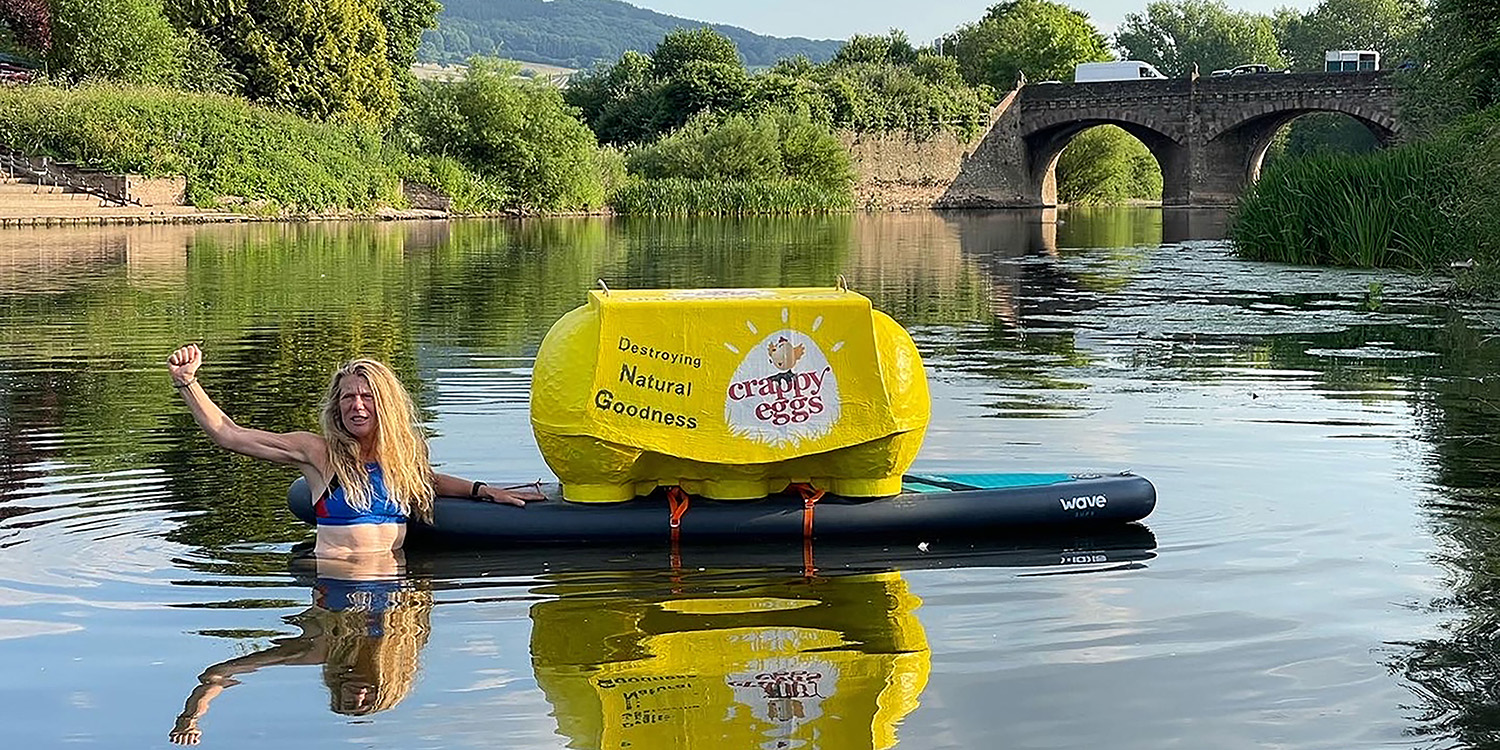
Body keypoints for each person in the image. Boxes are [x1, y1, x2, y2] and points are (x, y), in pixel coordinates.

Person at [165, 344, 542, 558]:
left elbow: (427, 481)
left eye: (367, 397)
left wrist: (483, 490)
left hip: (392, 593)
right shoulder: (318, 453)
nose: (357, 405)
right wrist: (188, 383)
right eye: (348, 397)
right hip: (335, 595)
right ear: (337, 406)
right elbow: (229, 435)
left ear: (385, 404)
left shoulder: (401, 459)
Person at [169, 560, 434, 744]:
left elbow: (219, 674)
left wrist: (191, 715)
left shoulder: (319, 650)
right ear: (386, 692)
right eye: (367, 703)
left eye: (350, 704)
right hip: (387, 569)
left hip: (339, 568)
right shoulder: (403, 646)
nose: (359, 696)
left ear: (337, 693)